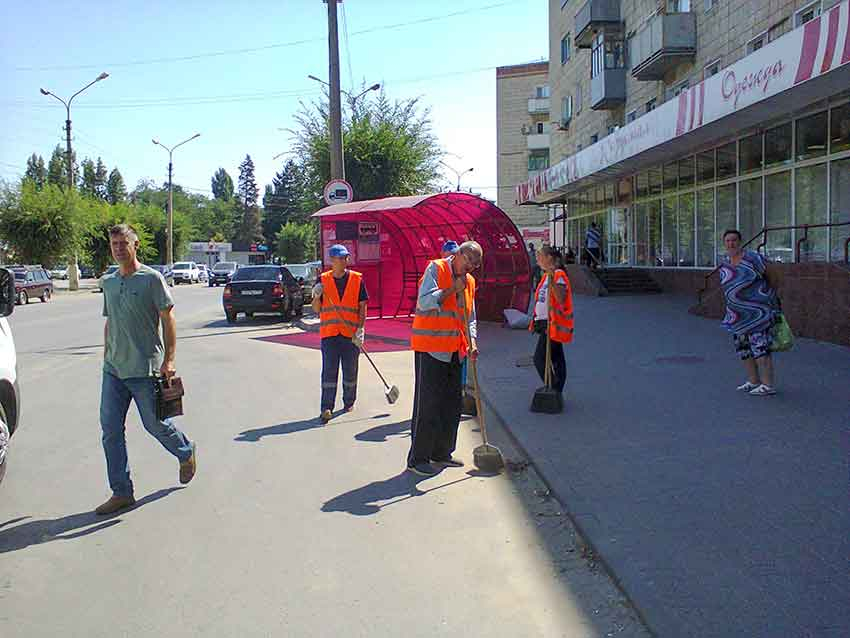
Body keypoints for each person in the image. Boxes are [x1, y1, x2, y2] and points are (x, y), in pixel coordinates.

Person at [96, 224, 196, 515]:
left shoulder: (151, 279)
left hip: (144, 368)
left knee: (155, 424)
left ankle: (185, 450)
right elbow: (110, 321)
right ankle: (122, 492)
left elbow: (168, 318)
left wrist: (170, 360)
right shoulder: (110, 282)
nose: (117, 249)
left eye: (122, 243)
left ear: (135, 245)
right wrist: (106, 356)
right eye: (113, 244)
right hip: (113, 370)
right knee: (110, 431)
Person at [408, 241, 482, 476]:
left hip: (455, 351)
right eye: (468, 260)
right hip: (431, 349)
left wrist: (472, 342)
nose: (469, 267)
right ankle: (418, 458)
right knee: (427, 405)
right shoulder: (436, 269)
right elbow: (424, 302)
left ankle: (442, 453)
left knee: (451, 405)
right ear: (458, 254)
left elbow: (470, 316)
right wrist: (452, 288)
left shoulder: (470, 282)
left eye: (475, 264)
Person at [311, 244, 368, 423]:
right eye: (339, 258)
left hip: (350, 334)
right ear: (332, 261)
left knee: (350, 371)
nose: (343, 261)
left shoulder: (357, 280)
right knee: (329, 371)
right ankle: (326, 407)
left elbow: (362, 307)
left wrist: (360, 330)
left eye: (345, 258)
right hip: (330, 335)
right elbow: (316, 309)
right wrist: (315, 296)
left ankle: (349, 401)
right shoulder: (322, 280)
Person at [719, 230, 779, 396]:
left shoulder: (753, 258)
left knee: (760, 348)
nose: (731, 243)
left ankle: (768, 385)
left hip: (757, 314)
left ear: (740, 242)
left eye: (734, 240)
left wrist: (768, 295)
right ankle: (753, 380)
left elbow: (773, 275)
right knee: (744, 350)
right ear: (724, 243)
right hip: (737, 316)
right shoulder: (725, 262)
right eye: (728, 241)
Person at [530, 245, 573, 394]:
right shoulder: (546, 276)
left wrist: (551, 276)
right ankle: (556, 388)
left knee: (539, 359)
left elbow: (560, 298)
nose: (537, 258)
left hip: (553, 324)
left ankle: (553, 388)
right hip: (545, 324)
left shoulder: (558, 274)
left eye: (540, 255)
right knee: (556, 358)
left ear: (549, 258)